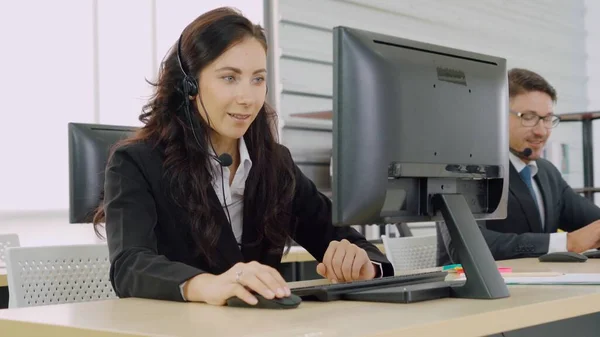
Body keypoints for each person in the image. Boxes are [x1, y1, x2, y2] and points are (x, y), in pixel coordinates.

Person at [92, 7, 393, 307]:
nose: (247, 98)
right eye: (229, 78)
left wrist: (362, 262)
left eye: (258, 79)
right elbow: (129, 266)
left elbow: (343, 238)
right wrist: (208, 286)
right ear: (190, 86)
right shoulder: (136, 162)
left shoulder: (275, 164)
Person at [438, 68, 600, 263]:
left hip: (541, 287)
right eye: (528, 117)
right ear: (497, 115)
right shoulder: (465, 170)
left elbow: (593, 225)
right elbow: (464, 245)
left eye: (547, 119)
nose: (541, 131)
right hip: (470, 290)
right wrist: (565, 242)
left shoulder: (546, 173)